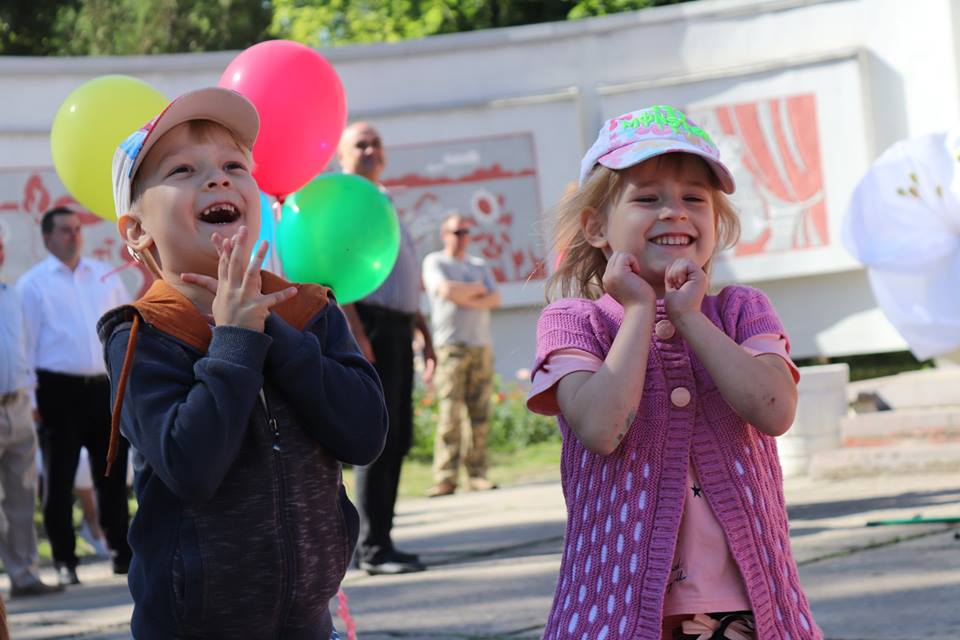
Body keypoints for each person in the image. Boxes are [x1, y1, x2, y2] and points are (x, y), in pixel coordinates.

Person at [99, 87, 388, 638]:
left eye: (234, 165)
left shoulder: (307, 310)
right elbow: (190, 464)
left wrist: (270, 329)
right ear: (137, 230)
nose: (218, 179)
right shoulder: (143, 333)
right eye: (183, 169)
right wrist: (233, 339)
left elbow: (365, 434)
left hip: (307, 623)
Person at [527, 105, 821, 639]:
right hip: (616, 606)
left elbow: (774, 410)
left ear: (716, 223)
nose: (675, 212)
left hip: (747, 608)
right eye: (647, 198)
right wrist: (640, 312)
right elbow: (600, 428)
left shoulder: (740, 311)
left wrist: (690, 317)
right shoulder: (574, 322)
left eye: (694, 199)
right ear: (596, 227)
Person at [338, 122, 435, 575]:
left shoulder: (384, 198)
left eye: (376, 143)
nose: (371, 150)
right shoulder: (344, 201)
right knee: (377, 436)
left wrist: (423, 328)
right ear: (342, 156)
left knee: (397, 437)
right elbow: (335, 270)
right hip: (371, 327)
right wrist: (357, 331)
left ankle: (383, 541)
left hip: (398, 326)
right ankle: (371, 549)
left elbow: (401, 270)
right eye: (361, 144)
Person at [16, 207, 132, 586]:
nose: (73, 235)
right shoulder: (32, 285)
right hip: (56, 390)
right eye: (65, 230)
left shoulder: (103, 275)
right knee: (60, 477)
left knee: (111, 472)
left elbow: (126, 332)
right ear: (48, 237)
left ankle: (120, 552)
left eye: (77, 229)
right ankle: (66, 559)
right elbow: (26, 344)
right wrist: (33, 402)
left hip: (102, 386)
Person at [0, 233, 62, 598]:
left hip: (19, 405)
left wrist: (32, 393)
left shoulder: (13, 295)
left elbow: (25, 347)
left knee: (22, 498)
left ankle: (24, 575)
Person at [421, 214, 500, 497]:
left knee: (479, 413)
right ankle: (445, 477)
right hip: (450, 346)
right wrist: (476, 291)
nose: (462, 236)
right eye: (456, 232)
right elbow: (444, 291)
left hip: (480, 345)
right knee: (450, 413)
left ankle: (477, 474)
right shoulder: (435, 262)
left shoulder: (478, 265)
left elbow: (495, 299)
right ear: (445, 234)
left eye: (466, 232)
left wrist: (463, 293)